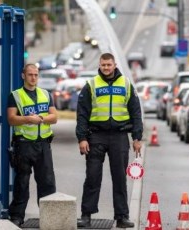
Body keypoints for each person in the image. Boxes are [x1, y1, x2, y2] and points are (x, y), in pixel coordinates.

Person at [76, 53, 143, 228]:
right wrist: (82, 138)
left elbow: (136, 113)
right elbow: (82, 114)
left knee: (120, 178)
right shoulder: (91, 85)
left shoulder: (126, 84)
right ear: (100, 65)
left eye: (109, 65)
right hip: (96, 135)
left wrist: (137, 137)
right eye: (103, 65)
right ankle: (86, 215)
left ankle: (122, 216)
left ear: (114, 65)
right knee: (92, 176)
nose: (106, 68)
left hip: (120, 136)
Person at [7, 63, 58, 227]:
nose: (33, 78)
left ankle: (49, 216)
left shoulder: (46, 94)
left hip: (43, 145)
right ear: (23, 76)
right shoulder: (15, 95)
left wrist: (41, 119)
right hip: (23, 145)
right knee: (22, 182)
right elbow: (11, 119)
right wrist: (28, 119)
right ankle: (17, 216)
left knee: (47, 182)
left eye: (35, 75)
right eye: (30, 74)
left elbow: (54, 117)